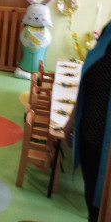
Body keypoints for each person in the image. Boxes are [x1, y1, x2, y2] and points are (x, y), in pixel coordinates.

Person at [64, 21, 111, 222]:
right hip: (91, 139)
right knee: (93, 205)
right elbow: (89, 81)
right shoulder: (109, 31)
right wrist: (72, 120)